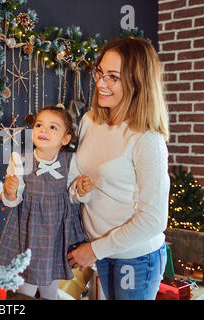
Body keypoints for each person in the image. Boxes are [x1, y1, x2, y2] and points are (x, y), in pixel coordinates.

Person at [66, 37, 170, 300]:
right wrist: (79, 190)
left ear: (137, 83)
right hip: (101, 252)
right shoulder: (90, 120)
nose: (100, 83)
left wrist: (95, 249)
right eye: (100, 72)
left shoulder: (147, 139)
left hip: (136, 257)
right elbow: (80, 178)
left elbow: (153, 219)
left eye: (113, 77)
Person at [0, 105, 91, 300]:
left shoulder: (70, 161)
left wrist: (79, 190)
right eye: (39, 125)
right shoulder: (21, 160)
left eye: (53, 127)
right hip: (29, 232)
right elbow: (13, 201)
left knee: (50, 286)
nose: (44, 130)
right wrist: (10, 191)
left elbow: (73, 197)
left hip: (57, 233)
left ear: (65, 138)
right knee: (25, 287)